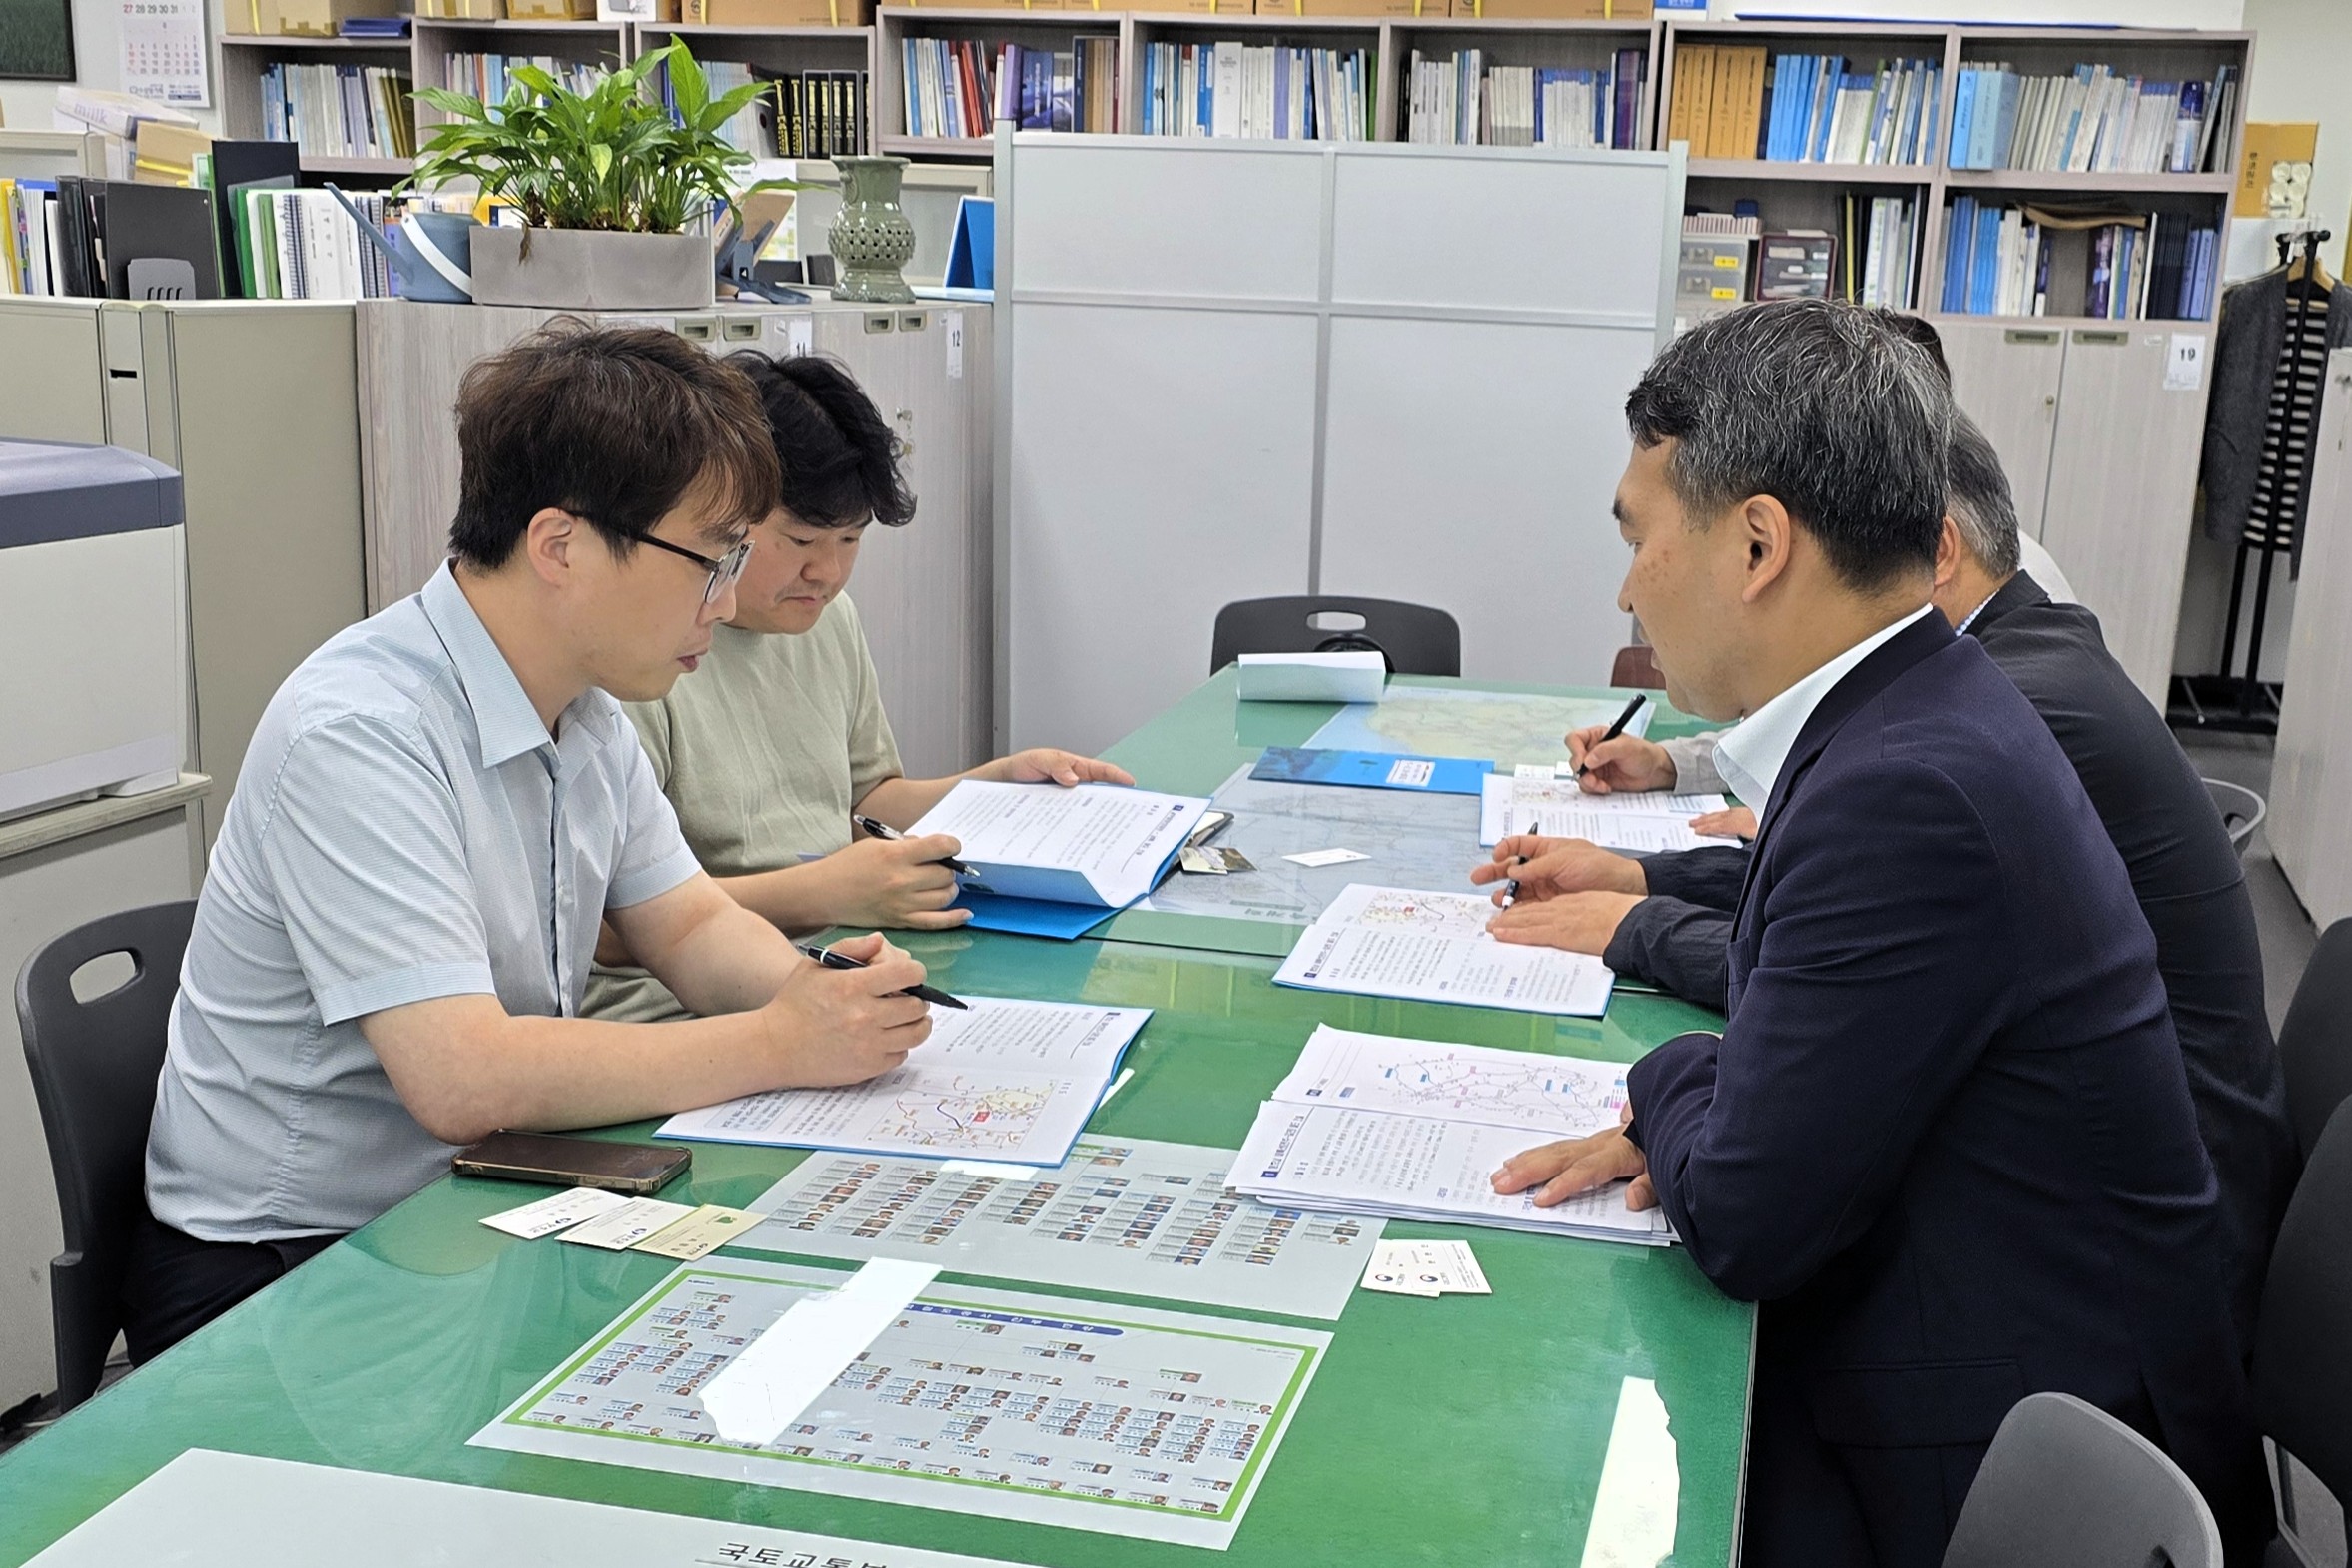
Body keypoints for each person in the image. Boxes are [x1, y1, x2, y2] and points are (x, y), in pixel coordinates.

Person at [1485, 300, 2266, 1566]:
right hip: (1999, 1338)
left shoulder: (1908, 784)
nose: (1627, 584)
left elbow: (1743, 1214)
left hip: (2004, 1443)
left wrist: (1662, 1079)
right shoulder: (1918, 707)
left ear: (1756, 544)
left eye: (1640, 536)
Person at [134, 324, 935, 1359]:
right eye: (710, 559)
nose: (728, 601)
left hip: (473, 1213)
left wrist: (817, 999)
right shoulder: (362, 732)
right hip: (291, 1270)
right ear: (562, 547)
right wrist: (780, 1042)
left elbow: (687, 923)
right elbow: (463, 1075)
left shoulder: (585, 709)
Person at [586, 352, 1132, 1024]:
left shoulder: (825, 621)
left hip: (829, 958)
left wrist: (992, 790)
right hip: (681, 1008)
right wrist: (823, 892)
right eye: (801, 539)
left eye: (850, 539)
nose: (827, 571)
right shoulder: (647, 649)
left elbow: (864, 801)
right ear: (721, 517)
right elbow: (615, 927)